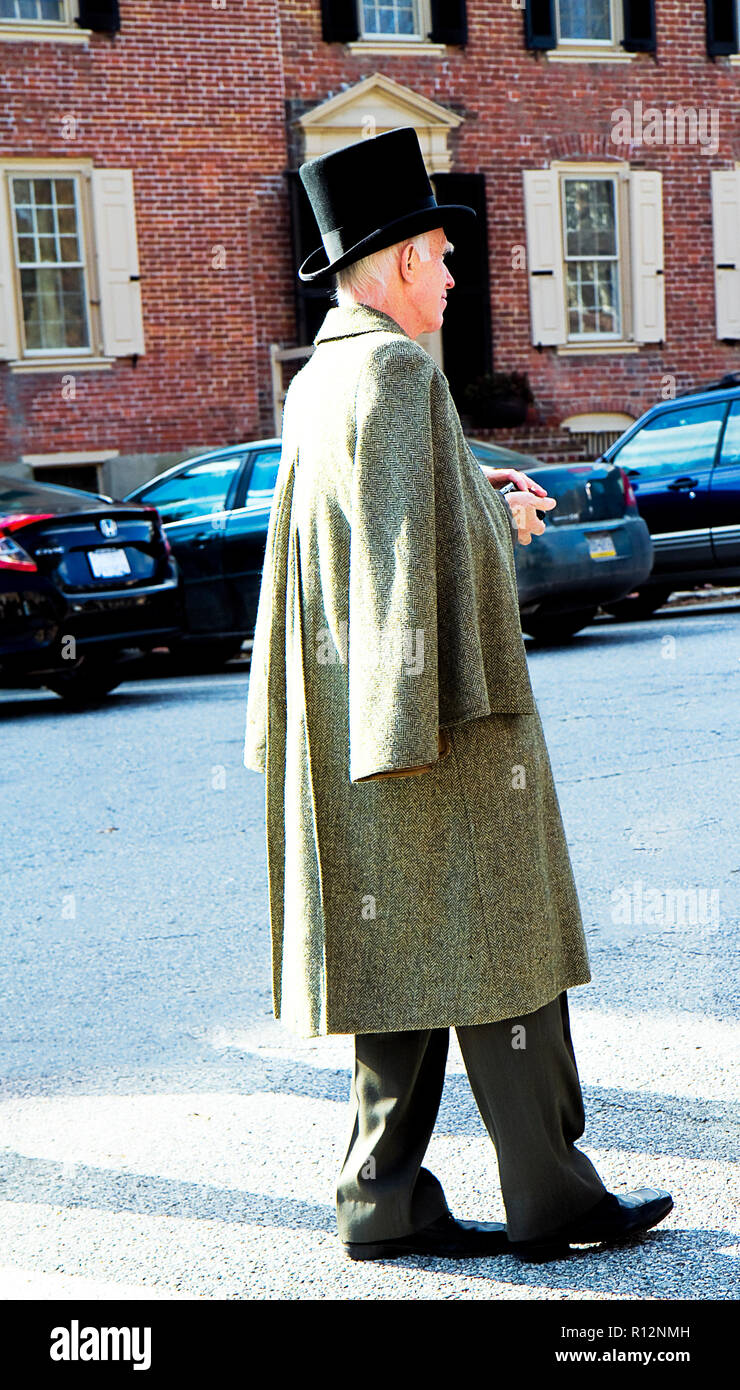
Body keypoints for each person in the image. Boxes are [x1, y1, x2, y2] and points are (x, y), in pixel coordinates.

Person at [243, 127, 673, 1263]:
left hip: (368, 730)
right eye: (436, 254)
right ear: (388, 268)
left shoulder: (323, 373)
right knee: (503, 946)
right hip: (431, 729)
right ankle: (555, 1199)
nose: (450, 273)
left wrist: (472, 487)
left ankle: (379, 1198)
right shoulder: (391, 371)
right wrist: (507, 521)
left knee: (406, 960)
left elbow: (369, 521)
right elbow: (398, 554)